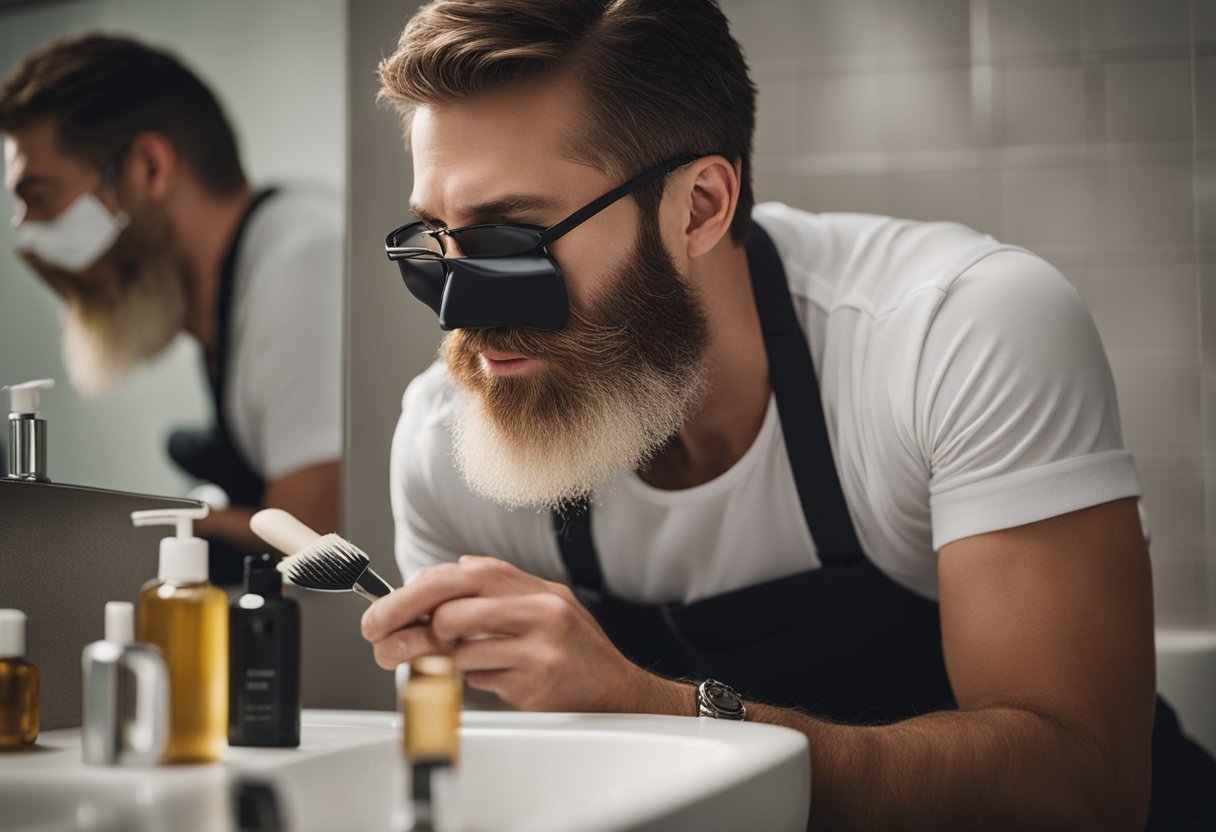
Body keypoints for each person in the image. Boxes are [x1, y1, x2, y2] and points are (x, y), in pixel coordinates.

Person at [360, 1, 1215, 828]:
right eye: (434, 241)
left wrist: (644, 705)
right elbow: (456, 785)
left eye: (510, 239)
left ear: (699, 206)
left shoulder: (957, 330)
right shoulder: (453, 440)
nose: (460, 315)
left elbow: (1083, 790)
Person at [1, 34, 342, 583]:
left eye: (40, 197)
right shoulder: (219, 292)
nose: (28, 234)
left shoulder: (302, 258)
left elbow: (314, 537)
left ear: (149, 168)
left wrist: (116, 529)